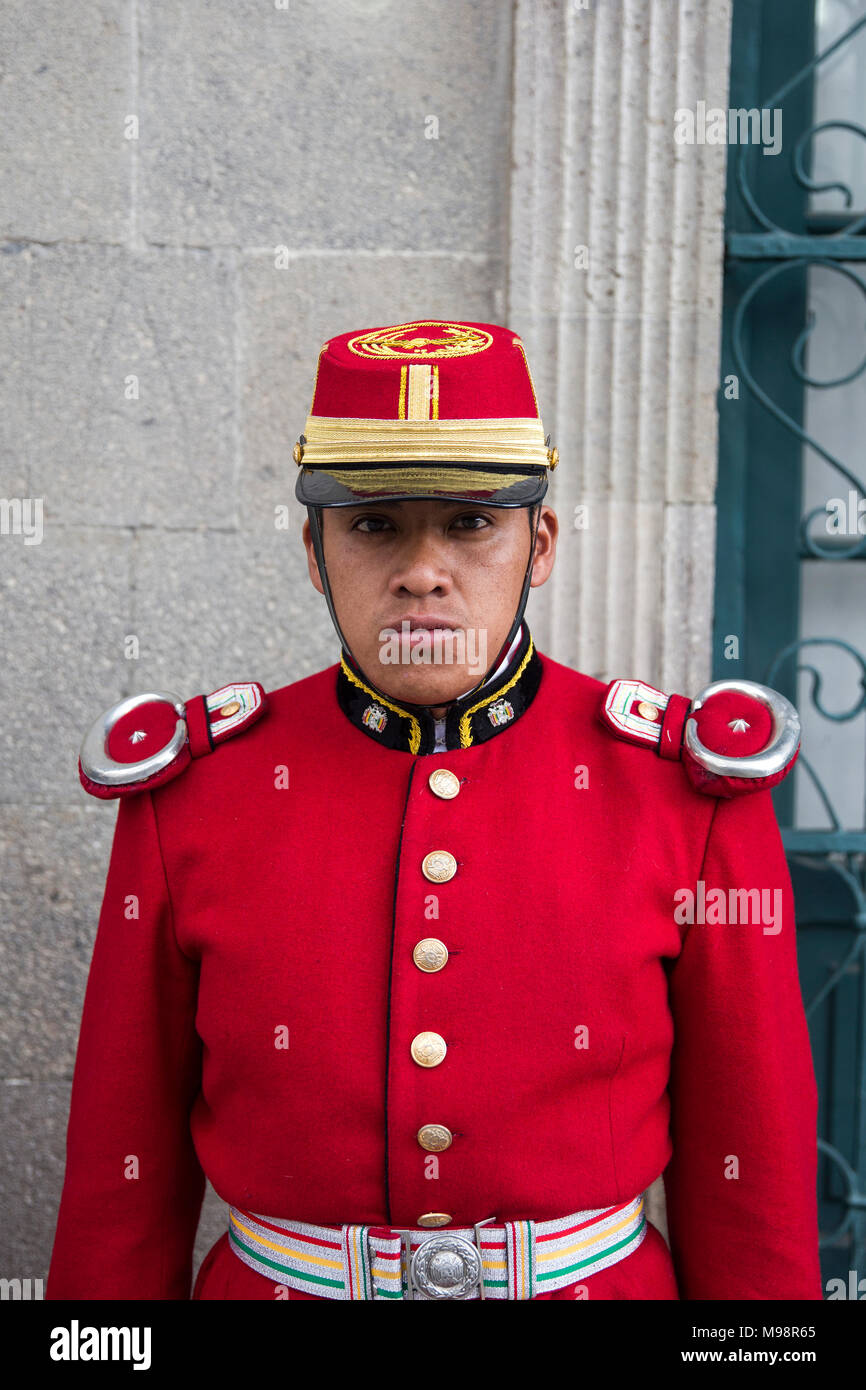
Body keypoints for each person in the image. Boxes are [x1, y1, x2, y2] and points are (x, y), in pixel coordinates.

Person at [46, 319, 822, 1301]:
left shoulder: (681, 796)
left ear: (537, 543)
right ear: (316, 551)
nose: (422, 568)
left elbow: (749, 1184)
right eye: (374, 526)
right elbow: (120, 1189)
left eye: (468, 523)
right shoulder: (194, 797)